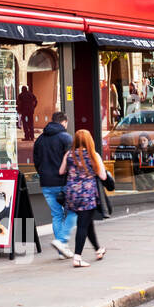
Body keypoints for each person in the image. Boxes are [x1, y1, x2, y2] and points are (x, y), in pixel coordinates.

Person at [59, 129, 108, 267]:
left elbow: (61, 171)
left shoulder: (69, 154)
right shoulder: (93, 155)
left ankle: (98, 250)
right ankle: (77, 257)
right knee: (82, 225)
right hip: (87, 195)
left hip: (72, 195)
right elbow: (103, 176)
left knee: (87, 222)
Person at [32, 111, 75, 259]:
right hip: (63, 182)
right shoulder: (66, 138)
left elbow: (36, 162)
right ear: (64, 122)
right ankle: (62, 242)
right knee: (72, 213)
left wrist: (44, 174)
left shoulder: (40, 140)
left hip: (46, 183)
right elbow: (71, 161)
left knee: (57, 215)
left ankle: (61, 251)